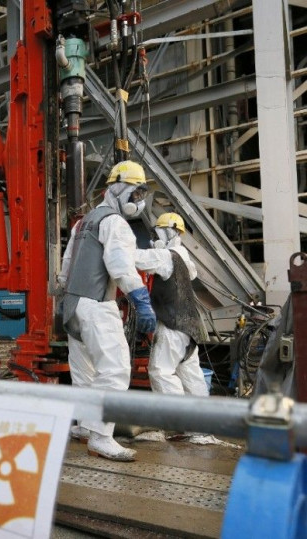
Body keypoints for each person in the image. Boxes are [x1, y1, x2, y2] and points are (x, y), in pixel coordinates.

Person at [59, 160, 157, 462]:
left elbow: (65, 269)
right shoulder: (115, 223)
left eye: (141, 194)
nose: (137, 200)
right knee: (115, 371)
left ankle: (87, 427)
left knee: (86, 372)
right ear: (116, 188)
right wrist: (141, 300)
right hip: (98, 305)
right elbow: (120, 266)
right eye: (135, 191)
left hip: (71, 306)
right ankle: (102, 437)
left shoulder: (82, 222)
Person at [134, 212, 209, 398]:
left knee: (160, 372)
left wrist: (118, 246)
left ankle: (177, 417)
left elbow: (137, 259)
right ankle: (201, 425)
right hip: (190, 328)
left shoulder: (166, 257)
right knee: (191, 376)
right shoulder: (183, 256)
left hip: (172, 326)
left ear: (170, 232)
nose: (155, 238)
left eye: (158, 233)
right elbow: (191, 273)